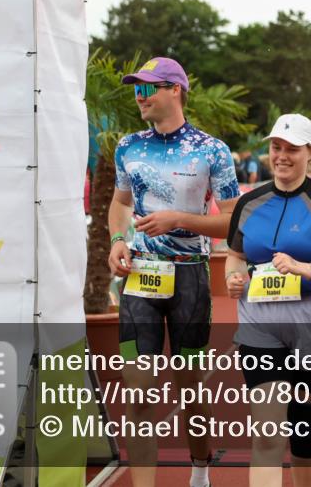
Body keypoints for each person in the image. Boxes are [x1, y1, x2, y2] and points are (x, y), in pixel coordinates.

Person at [107, 57, 241, 487]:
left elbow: (233, 222)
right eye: (136, 89)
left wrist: (179, 219)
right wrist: (118, 239)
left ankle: (200, 469)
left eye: (147, 88)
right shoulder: (128, 146)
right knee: (137, 391)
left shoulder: (212, 150)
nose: (139, 97)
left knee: (191, 389)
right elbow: (120, 203)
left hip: (190, 281)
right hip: (139, 279)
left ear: (174, 90)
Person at [225, 114, 311, 487]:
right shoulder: (249, 203)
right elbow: (235, 256)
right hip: (260, 325)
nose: (282, 156)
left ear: (310, 153)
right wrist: (231, 278)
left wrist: (305, 269)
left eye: (292, 149)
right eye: (276, 147)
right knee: (268, 433)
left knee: (304, 429)